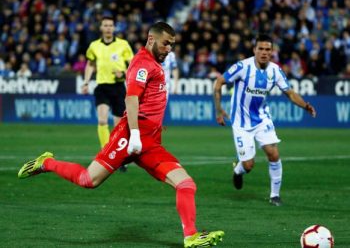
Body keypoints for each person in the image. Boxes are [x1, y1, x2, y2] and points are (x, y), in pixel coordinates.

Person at [18, 22, 224, 248]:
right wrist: (134, 134)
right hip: (129, 136)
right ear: (151, 39)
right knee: (88, 180)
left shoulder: (154, 63)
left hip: (151, 142)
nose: (169, 49)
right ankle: (46, 163)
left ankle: (191, 237)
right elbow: (131, 98)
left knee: (186, 184)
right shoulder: (143, 64)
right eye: (166, 44)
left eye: (172, 45)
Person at [213, 34, 316, 206]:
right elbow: (218, 83)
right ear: (254, 50)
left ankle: (275, 195)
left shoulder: (275, 71)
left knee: (273, 153)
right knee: (248, 165)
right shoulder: (242, 67)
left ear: (272, 52)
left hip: (262, 119)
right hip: (241, 123)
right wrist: (219, 110)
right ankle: (238, 171)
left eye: (267, 49)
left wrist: (305, 106)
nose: (264, 52)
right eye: (260, 49)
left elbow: (289, 93)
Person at [82, 16, 134, 149]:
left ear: (114, 28)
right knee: (102, 120)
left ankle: (118, 154)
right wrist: (86, 82)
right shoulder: (94, 46)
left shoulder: (123, 44)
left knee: (118, 126)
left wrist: (123, 73)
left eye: (111, 25)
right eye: (105, 25)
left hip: (118, 88)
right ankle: (106, 151)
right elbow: (90, 64)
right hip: (102, 87)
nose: (108, 28)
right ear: (101, 28)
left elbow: (133, 66)